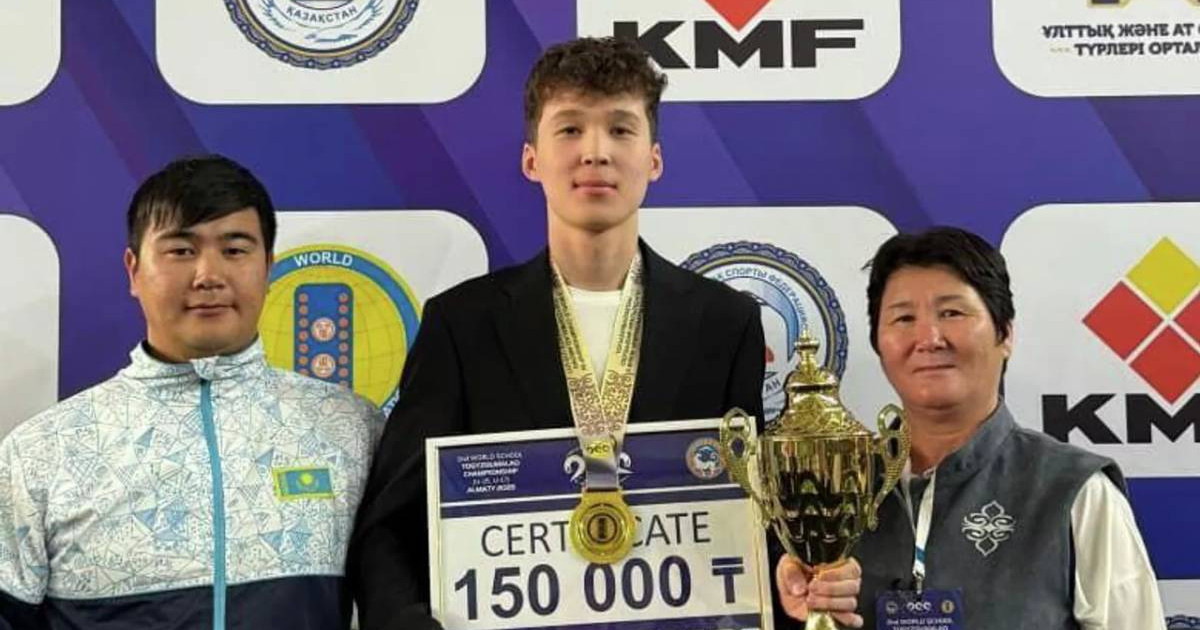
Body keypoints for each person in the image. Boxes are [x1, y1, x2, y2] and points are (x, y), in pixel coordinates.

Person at [349, 36, 766, 630]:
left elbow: (756, 511)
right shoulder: (462, 326)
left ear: (653, 160)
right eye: (570, 129)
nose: (595, 152)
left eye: (620, 129)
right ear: (532, 160)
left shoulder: (725, 323)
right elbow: (391, 525)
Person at [0, 155, 383, 629]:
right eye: (181, 250)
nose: (208, 275)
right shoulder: (40, 453)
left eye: (235, 250)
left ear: (268, 267)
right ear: (133, 270)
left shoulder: (352, 429)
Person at [774, 227, 1165, 629]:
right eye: (904, 318)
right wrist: (798, 596)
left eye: (952, 313)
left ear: (1005, 333)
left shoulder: (1075, 491)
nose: (928, 338)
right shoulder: (828, 489)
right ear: (878, 344)